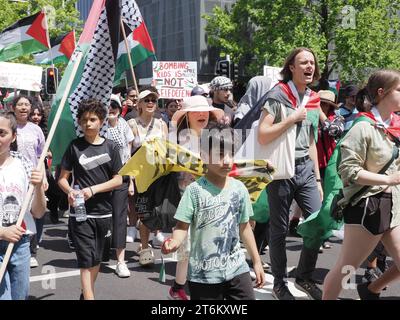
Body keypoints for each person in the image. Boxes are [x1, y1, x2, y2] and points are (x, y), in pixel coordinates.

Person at [162, 122, 265, 300]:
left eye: (231, 154)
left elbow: (245, 227)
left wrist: (256, 261)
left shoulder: (239, 189)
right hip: (203, 275)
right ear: (203, 155)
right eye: (219, 154)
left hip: (236, 269)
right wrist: (174, 243)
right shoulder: (194, 191)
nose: (226, 160)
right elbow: (181, 227)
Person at [322, 69, 400, 300]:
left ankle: (371, 289)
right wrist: (388, 179)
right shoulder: (362, 127)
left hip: (393, 206)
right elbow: (348, 171)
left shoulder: (395, 126)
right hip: (367, 206)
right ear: (382, 92)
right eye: (399, 89)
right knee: (346, 270)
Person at [257, 47, 323, 300]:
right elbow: (263, 134)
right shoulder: (278, 95)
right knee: (279, 229)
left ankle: (304, 276)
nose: (309, 67)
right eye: (303, 62)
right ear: (291, 67)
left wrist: (317, 179)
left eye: (312, 63)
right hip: (281, 167)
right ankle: (280, 284)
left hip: (305, 167)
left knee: (318, 222)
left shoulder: (313, 98)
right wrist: (291, 118)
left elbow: (310, 142)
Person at [58, 99, 123, 300]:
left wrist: (93, 190)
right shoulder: (74, 146)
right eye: (84, 120)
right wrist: (70, 191)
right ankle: (89, 297)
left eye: (93, 119)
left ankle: (86, 293)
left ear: (101, 121)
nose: (88, 123)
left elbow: (119, 179)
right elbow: (62, 179)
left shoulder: (111, 147)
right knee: (86, 260)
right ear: (79, 122)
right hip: (81, 214)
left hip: (104, 213)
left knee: (96, 260)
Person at [167, 95, 224, 300]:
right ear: (187, 116)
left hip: (213, 197)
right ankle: (178, 286)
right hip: (185, 198)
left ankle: (192, 283)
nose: (202, 114)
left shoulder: (216, 136)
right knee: (187, 244)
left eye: (205, 111)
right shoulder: (176, 138)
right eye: (196, 111)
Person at [0, 110, 46, 300]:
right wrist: (2, 232)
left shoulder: (24, 165)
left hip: (20, 243)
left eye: (2, 133)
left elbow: (38, 211)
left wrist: (39, 188)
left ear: (13, 136)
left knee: (20, 295)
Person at [127, 90, 168, 266]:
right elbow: (127, 154)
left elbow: (167, 150)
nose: (151, 102)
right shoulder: (131, 124)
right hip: (140, 176)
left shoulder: (161, 124)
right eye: (147, 100)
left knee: (157, 211)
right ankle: (144, 247)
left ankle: (149, 239)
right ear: (140, 104)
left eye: (153, 100)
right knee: (144, 211)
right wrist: (129, 179)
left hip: (158, 174)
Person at [11, 95, 46, 269]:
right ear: (13, 107)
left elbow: (41, 155)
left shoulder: (36, 130)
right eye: (20, 104)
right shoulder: (8, 127)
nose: (24, 107)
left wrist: (44, 177)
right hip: (14, 177)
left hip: (33, 177)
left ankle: (33, 250)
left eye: (27, 105)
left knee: (37, 212)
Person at [105, 95, 134, 278]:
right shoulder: (99, 127)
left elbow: (129, 156)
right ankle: (99, 252)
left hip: (121, 176)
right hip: (100, 178)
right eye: (107, 105)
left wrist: (130, 181)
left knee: (120, 218)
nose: (111, 108)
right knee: (102, 216)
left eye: (114, 105)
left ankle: (121, 261)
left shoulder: (125, 127)